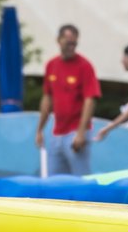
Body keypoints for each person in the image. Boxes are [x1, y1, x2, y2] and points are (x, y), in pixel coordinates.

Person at [35, 24, 101, 176]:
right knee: (55, 180)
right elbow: (47, 98)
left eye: (74, 43)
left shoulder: (84, 66)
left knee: (80, 178)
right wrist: (40, 129)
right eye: (68, 42)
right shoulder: (51, 65)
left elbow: (89, 100)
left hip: (75, 132)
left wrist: (81, 132)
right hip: (57, 132)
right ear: (59, 40)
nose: (71, 47)